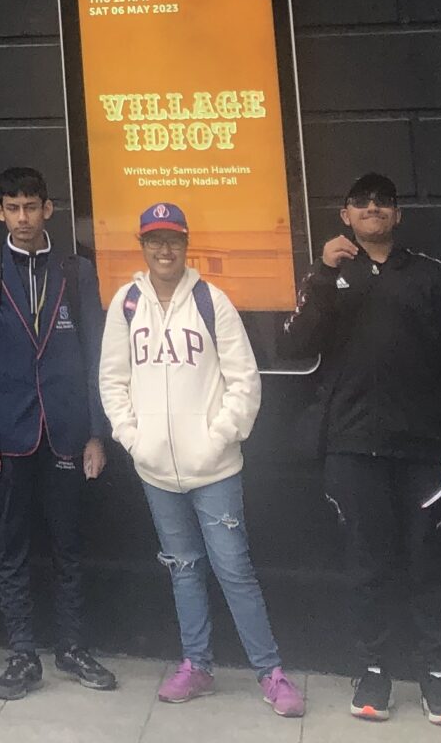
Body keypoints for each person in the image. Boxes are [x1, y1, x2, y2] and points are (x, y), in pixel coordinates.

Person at [281, 172, 441, 726]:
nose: (373, 208)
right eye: (362, 202)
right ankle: (372, 670)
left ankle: (435, 674)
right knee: (366, 565)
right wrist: (323, 275)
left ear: (397, 214)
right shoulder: (329, 273)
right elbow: (293, 342)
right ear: (345, 215)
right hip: (351, 447)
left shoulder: (430, 274)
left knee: (429, 564)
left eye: (384, 202)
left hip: (426, 452)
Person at [98, 201, 304, 718]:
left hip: (214, 470)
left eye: (172, 239)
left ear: (186, 244)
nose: (164, 249)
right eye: (154, 240)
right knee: (183, 569)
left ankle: (270, 671)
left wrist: (218, 438)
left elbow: (244, 380)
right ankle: (197, 665)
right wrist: (134, 439)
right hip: (155, 470)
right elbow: (112, 379)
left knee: (234, 569)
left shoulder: (212, 301)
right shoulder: (126, 303)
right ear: (142, 246)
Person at [0, 166, 117, 700]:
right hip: (7, 433)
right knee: (10, 549)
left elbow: (97, 355)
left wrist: (97, 433)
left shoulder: (77, 269)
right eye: (13, 208)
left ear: (48, 209)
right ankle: (22, 654)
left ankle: (72, 647)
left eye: (32, 206)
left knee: (69, 547)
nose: (23, 217)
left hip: (67, 430)